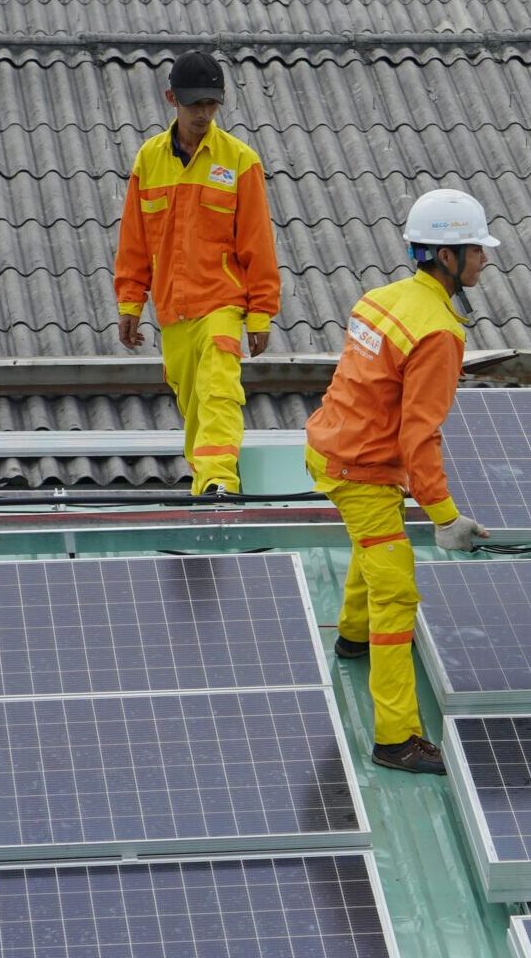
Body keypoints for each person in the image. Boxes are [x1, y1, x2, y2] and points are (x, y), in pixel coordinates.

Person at [304, 189, 498, 774]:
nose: (485, 260)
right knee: (397, 591)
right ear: (446, 256)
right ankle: (396, 738)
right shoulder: (439, 333)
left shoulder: (379, 300)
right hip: (359, 470)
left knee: (376, 543)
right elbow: (420, 436)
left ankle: (352, 638)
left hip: (330, 445)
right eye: (475, 250)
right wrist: (445, 517)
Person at [113, 50, 282, 496]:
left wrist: (260, 313)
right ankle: (204, 487)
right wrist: (131, 302)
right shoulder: (148, 161)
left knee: (219, 392)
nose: (204, 114)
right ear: (172, 99)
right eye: (195, 105)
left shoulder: (240, 161)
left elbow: (258, 244)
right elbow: (134, 240)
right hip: (173, 313)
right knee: (194, 406)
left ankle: (220, 483)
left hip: (221, 304)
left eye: (211, 104)